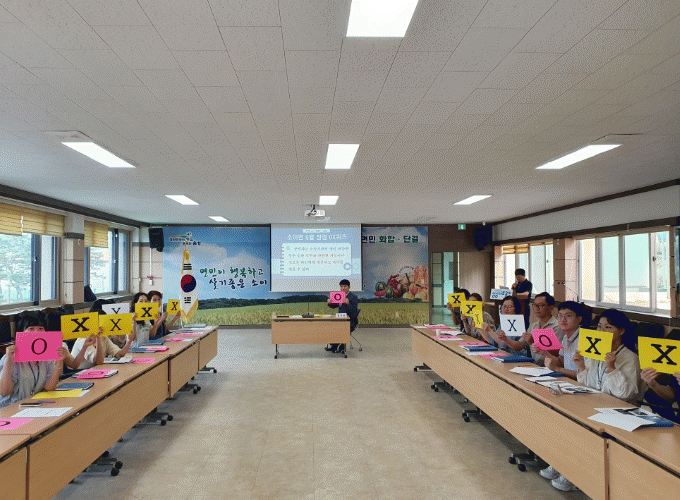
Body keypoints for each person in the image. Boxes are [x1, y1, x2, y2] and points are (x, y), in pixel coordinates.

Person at [0, 313, 64, 408]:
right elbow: (4, 392)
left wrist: (59, 362)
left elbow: (49, 388)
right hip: (11, 408)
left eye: (41, 328)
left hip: (35, 405)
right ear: (21, 333)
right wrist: (7, 362)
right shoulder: (11, 357)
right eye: (31, 328)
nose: (36, 332)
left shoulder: (47, 355)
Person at [499, 292, 562, 365]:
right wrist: (506, 339)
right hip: (535, 365)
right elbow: (519, 346)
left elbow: (557, 353)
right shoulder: (534, 326)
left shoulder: (557, 326)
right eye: (535, 305)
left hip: (550, 367)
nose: (537, 308)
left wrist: (534, 342)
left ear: (551, 307)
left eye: (540, 305)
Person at [540, 301, 584, 380]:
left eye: (568, 316)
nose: (563, 319)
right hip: (566, 380)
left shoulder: (584, 339)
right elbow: (561, 361)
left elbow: (583, 375)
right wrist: (544, 352)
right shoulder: (565, 337)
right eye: (560, 315)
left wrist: (557, 369)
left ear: (579, 319)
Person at [71, 321, 137, 369]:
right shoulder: (83, 340)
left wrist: (129, 341)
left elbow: (119, 354)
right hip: (78, 372)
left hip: (94, 370)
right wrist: (98, 339)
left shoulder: (104, 337)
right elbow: (98, 361)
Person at [326, 279, 359, 353]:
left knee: (342, 328)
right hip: (340, 319)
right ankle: (335, 345)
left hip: (350, 321)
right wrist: (329, 303)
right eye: (341, 286)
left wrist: (348, 303)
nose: (343, 288)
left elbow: (354, 311)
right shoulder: (339, 295)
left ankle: (340, 346)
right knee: (331, 326)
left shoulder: (353, 297)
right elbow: (334, 306)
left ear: (349, 287)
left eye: (345, 286)